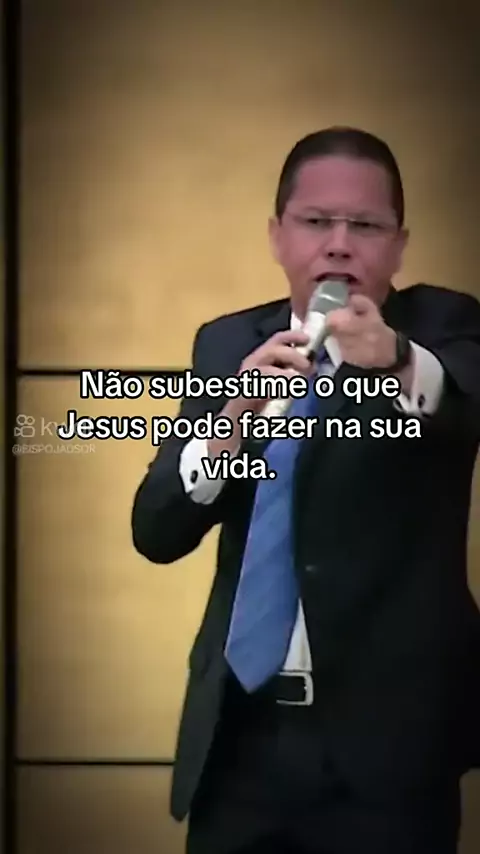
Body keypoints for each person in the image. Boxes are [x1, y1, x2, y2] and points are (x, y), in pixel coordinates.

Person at [131, 127, 480, 854]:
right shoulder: (228, 345)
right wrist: (230, 422)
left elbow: (460, 400)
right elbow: (156, 531)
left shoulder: (446, 328)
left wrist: (397, 359)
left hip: (386, 759)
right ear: (278, 235)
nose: (340, 244)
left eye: (367, 226)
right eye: (317, 221)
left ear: (400, 245)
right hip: (239, 744)